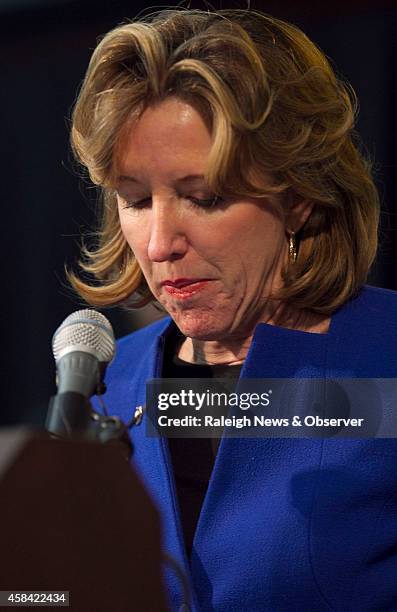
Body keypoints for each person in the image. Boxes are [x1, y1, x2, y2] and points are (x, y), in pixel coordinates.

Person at [68, 8, 397, 612]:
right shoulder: (109, 384)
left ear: (298, 196)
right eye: (136, 199)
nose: (160, 242)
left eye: (206, 197)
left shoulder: (387, 358)